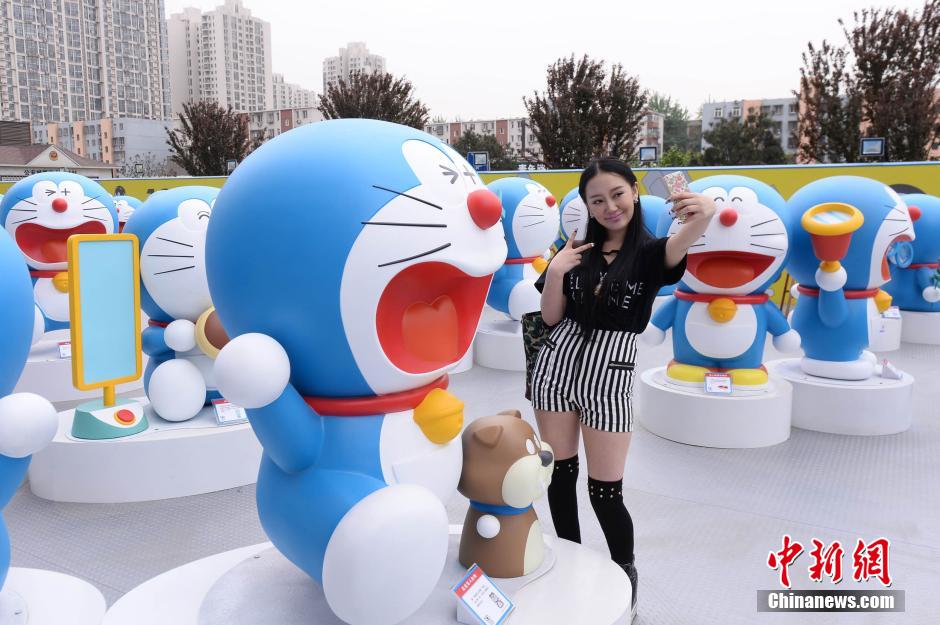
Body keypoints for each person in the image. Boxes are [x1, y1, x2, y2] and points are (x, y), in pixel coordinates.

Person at [531, 158, 715, 620]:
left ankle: (623, 572)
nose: (609, 206)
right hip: (556, 362)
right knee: (559, 476)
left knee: (604, 491)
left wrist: (705, 210)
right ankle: (567, 563)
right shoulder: (577, 248)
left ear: (634, 191)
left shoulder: (654, 253)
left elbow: (688, 233)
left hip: (610, 371)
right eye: (597, 199)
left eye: (617, 194)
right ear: (586, 205)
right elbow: (551, 317)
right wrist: (556, 272)